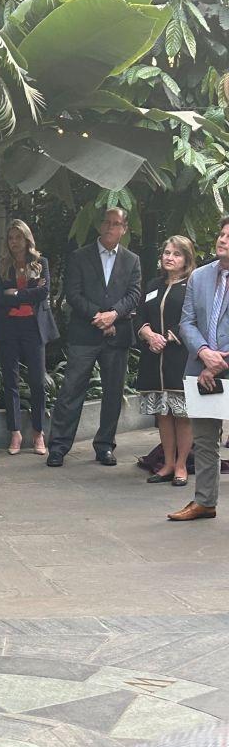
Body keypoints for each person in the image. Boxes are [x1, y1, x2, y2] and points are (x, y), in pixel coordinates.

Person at [46, 208, 142, 467]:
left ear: (124, 229)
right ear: (100, 226)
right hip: (84, 334)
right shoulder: (80, 256)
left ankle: (104, 446)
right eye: (107, 223)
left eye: (117, 224)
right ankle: (58, 446)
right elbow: (73, 294)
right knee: (71, 390)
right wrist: (100, 317)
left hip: (117, 334)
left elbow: (134, 294)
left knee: (112, 393)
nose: (111, 227)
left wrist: (113, 316)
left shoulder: (132, 260)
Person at [168, 217, 229, 521]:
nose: (223, 239)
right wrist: (205, 354)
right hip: (202, 367)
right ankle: (205, 501)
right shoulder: (200, 277)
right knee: (205, 439)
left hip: (221, 367)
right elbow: (186, 321)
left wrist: (221, 362)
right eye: (221, 234)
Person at [0, 219, 59, 456]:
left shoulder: (41, 263)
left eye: (18, 237)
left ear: (27, 239)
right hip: (9, 328)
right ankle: (15, 433)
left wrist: (17, 293)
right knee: (11, 381)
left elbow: (43, 293)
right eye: (10, 238)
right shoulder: (1, 265)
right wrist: (26, 294)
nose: (14, 242)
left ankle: (38, 432)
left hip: (33, 328)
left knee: (37, 382)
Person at [135, 236, 195, 487]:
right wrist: (148, 334)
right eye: (166, 252)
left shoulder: (191, 286)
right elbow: (139, 315)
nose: (169, 257)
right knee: (163, 413)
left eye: (176, 254)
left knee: (182, 414)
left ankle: (181, 464)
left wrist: (168, 337)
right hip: (153, 359)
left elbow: (194, 318)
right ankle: (167, 462)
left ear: (186, 260)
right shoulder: (152, 285)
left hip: (179, 358)